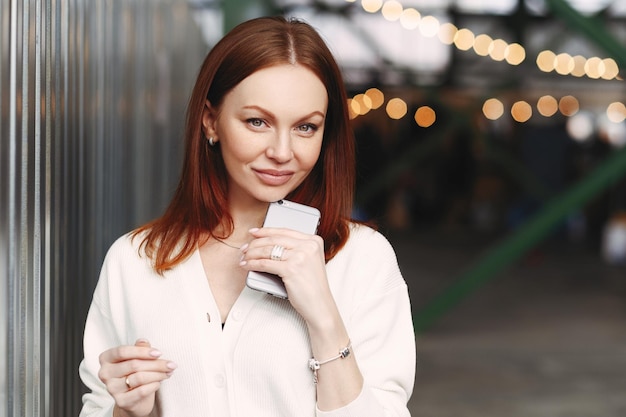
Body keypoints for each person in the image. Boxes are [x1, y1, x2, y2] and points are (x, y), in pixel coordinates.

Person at [79, 15, 415, 417]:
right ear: (210, 121)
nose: (282, 151)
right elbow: (98, 406)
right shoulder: (135, 260)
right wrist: (129, 412)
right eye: (258, 121)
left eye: (306, 127)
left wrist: (324, 316)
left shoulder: (363, 260)